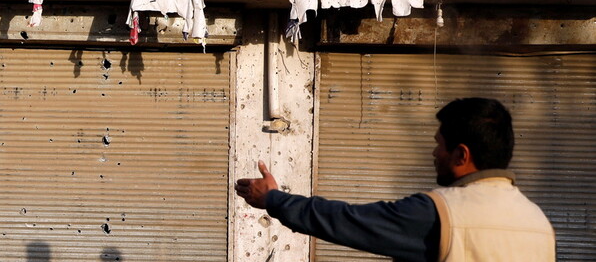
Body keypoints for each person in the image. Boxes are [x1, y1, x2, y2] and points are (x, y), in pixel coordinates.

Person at [234, 97, 555, 261]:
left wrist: (274, 199)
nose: (433, 154)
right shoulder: (538, 221)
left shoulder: (440, 213)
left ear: (462, 155)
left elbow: (348, 221)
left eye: (439, 145)